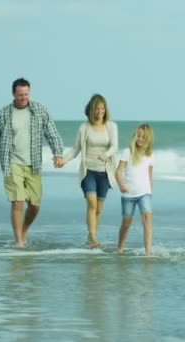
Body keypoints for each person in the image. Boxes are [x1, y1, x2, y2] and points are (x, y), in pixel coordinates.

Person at [0, 78, 65, 248]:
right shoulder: (4, 114)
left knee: (35, 205)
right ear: (13, 94)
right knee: (17, 202)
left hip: (33, 164)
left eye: (26, 94)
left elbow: (52, 133)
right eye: (20, 95)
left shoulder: (39, 110)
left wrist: (58, 153)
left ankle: (24, 229)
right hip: (12, 163)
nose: (23, 98)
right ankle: (19, 242)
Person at [62, 94, 118, 249]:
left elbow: (114, 146)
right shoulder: (84, 127)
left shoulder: (111, 126)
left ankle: (92, 234)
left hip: (105, 172)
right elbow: (75, 149)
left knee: (98, 209)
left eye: (102, 108)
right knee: (92, 203)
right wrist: (63, 160)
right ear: (91, 110)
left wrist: (105, 155)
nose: (100, 111)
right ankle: (92, 237)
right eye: (97, 108)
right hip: (89, 172)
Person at [115, 123, 154, 255]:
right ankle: (120, 248)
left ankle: (148, 252)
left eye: (143, 137)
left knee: (147, 219)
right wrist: (121, 184)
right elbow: (119, 171)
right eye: (138, 136)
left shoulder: (150, 155)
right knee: (126, 223)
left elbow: (150, 174)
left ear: (148, 139)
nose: (140, 139)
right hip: (128, 194)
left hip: (145, 193)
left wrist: (150, 190)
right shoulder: (127, 152)